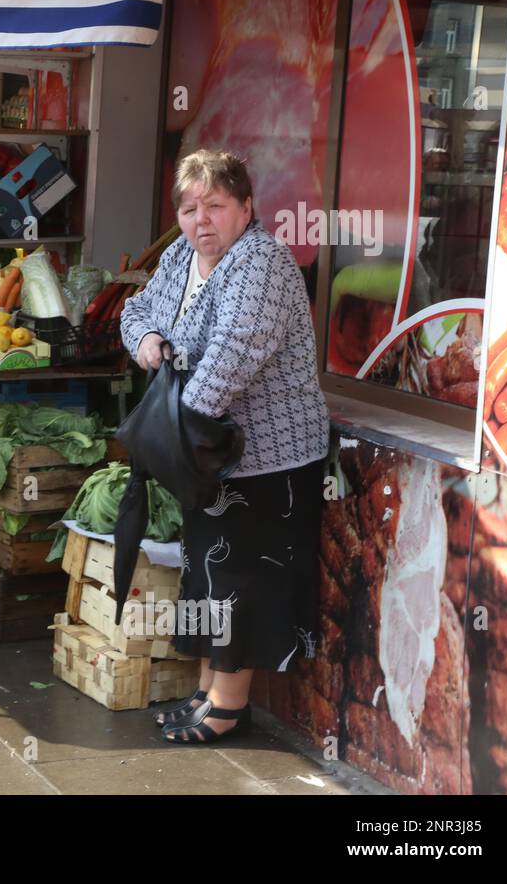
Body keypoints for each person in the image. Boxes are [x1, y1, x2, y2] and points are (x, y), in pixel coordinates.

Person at [119, 149, 330, 744]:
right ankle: (206, 689)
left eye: (215, 206)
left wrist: (169, 432)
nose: (200, 221)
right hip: (203, 450)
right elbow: (135, 310)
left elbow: (231, 360)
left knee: (239, 577)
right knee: (203, 573)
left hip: (267, 456)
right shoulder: (184, 257)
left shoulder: (259, 263)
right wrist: (148, 339)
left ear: (245, 208)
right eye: (189, 208)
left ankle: (228, 705)